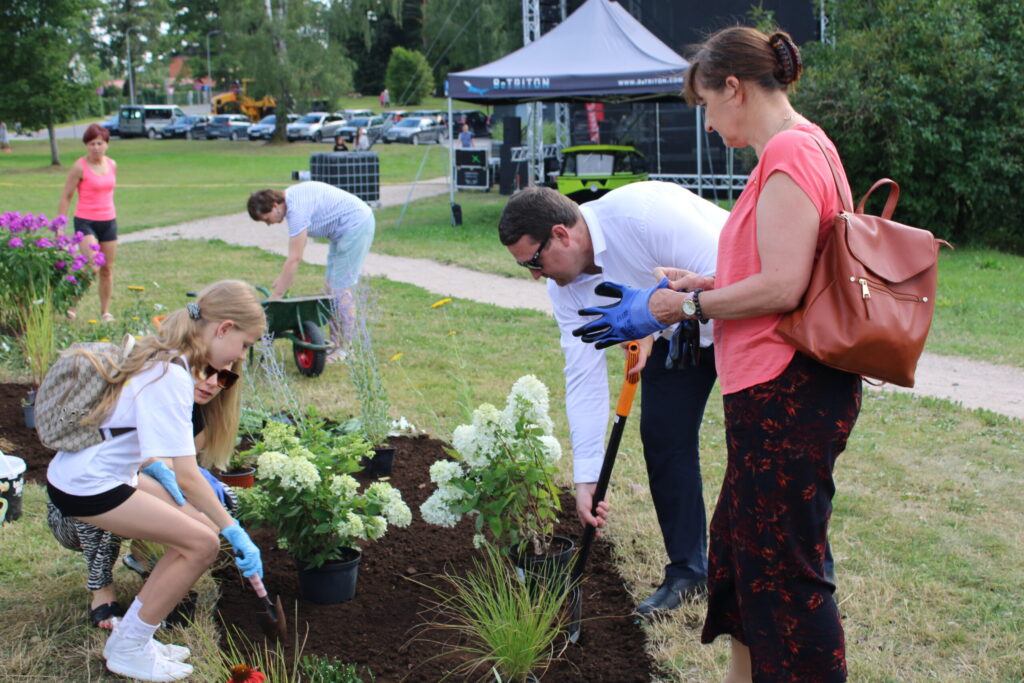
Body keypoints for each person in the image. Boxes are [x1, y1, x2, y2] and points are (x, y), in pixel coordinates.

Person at [574, 27, 862, 682]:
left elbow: (784, 287)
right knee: (740, 554)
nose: (706, 123)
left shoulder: (789, 151)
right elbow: (793, 268)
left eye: (706, 104)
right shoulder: (803, 145)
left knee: (786, 573)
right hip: (778, 389)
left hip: (788, 391)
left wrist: (687, 307)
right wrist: (703, 282)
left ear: (734, 88)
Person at [498, 182, 727, 616]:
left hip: (744, 324)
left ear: (561, 235)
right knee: (663, 439)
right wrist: (586, 478)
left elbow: (740, 275)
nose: (534, 275)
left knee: (753, 447)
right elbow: (583, 377)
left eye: (534, 261)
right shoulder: (566, 291)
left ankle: (759, 572)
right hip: (675, 336)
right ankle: (688, 573)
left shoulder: (642, 216)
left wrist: (674, 306)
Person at [45, 280, 267, 682]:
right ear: (224, 328)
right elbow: (188, 476)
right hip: (90, 484)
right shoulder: (172, 375)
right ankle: (129, 649)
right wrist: (234, 531)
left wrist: (216, 521)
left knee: (198, 531)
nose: (240, 355)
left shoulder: (166, 358)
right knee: (203, 544)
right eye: (244, 344)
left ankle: (132, 637)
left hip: (88, 473)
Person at [46, 360, 243, 630]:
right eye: (207, 370)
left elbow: (178, 470)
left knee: (221, 502)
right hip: (74, 514)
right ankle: (101, 590)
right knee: (113, 488)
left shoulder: (204, 421)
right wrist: (165, 469)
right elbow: (119, 467)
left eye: (224, 377)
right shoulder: (143, 396)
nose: (212, 382)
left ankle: (150, 568)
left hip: (138, 497)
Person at [247, 182, 375, 361]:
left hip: (356, 225)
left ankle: (345, 349)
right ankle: (334, 345)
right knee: (331, 288)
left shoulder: (296, 210)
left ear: (275, 206)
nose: (269, 224)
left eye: (267, 219)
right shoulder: (292, 200)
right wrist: (283, 279)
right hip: (343, 232)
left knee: (340, 289)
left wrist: (277, 295)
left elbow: (295, 258)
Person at [57, 123, 119, 322]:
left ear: (106, 144)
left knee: (107, 269)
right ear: (86, 145)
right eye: (92, 144)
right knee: (92, 266)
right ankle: (71, 306)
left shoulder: (112, 165)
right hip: (85, 222)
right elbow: (67, 196)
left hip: (108, 221)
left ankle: (105, 312)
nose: (96, 147)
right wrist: (60, 226)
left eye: (99, 143)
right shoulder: (79, 167)